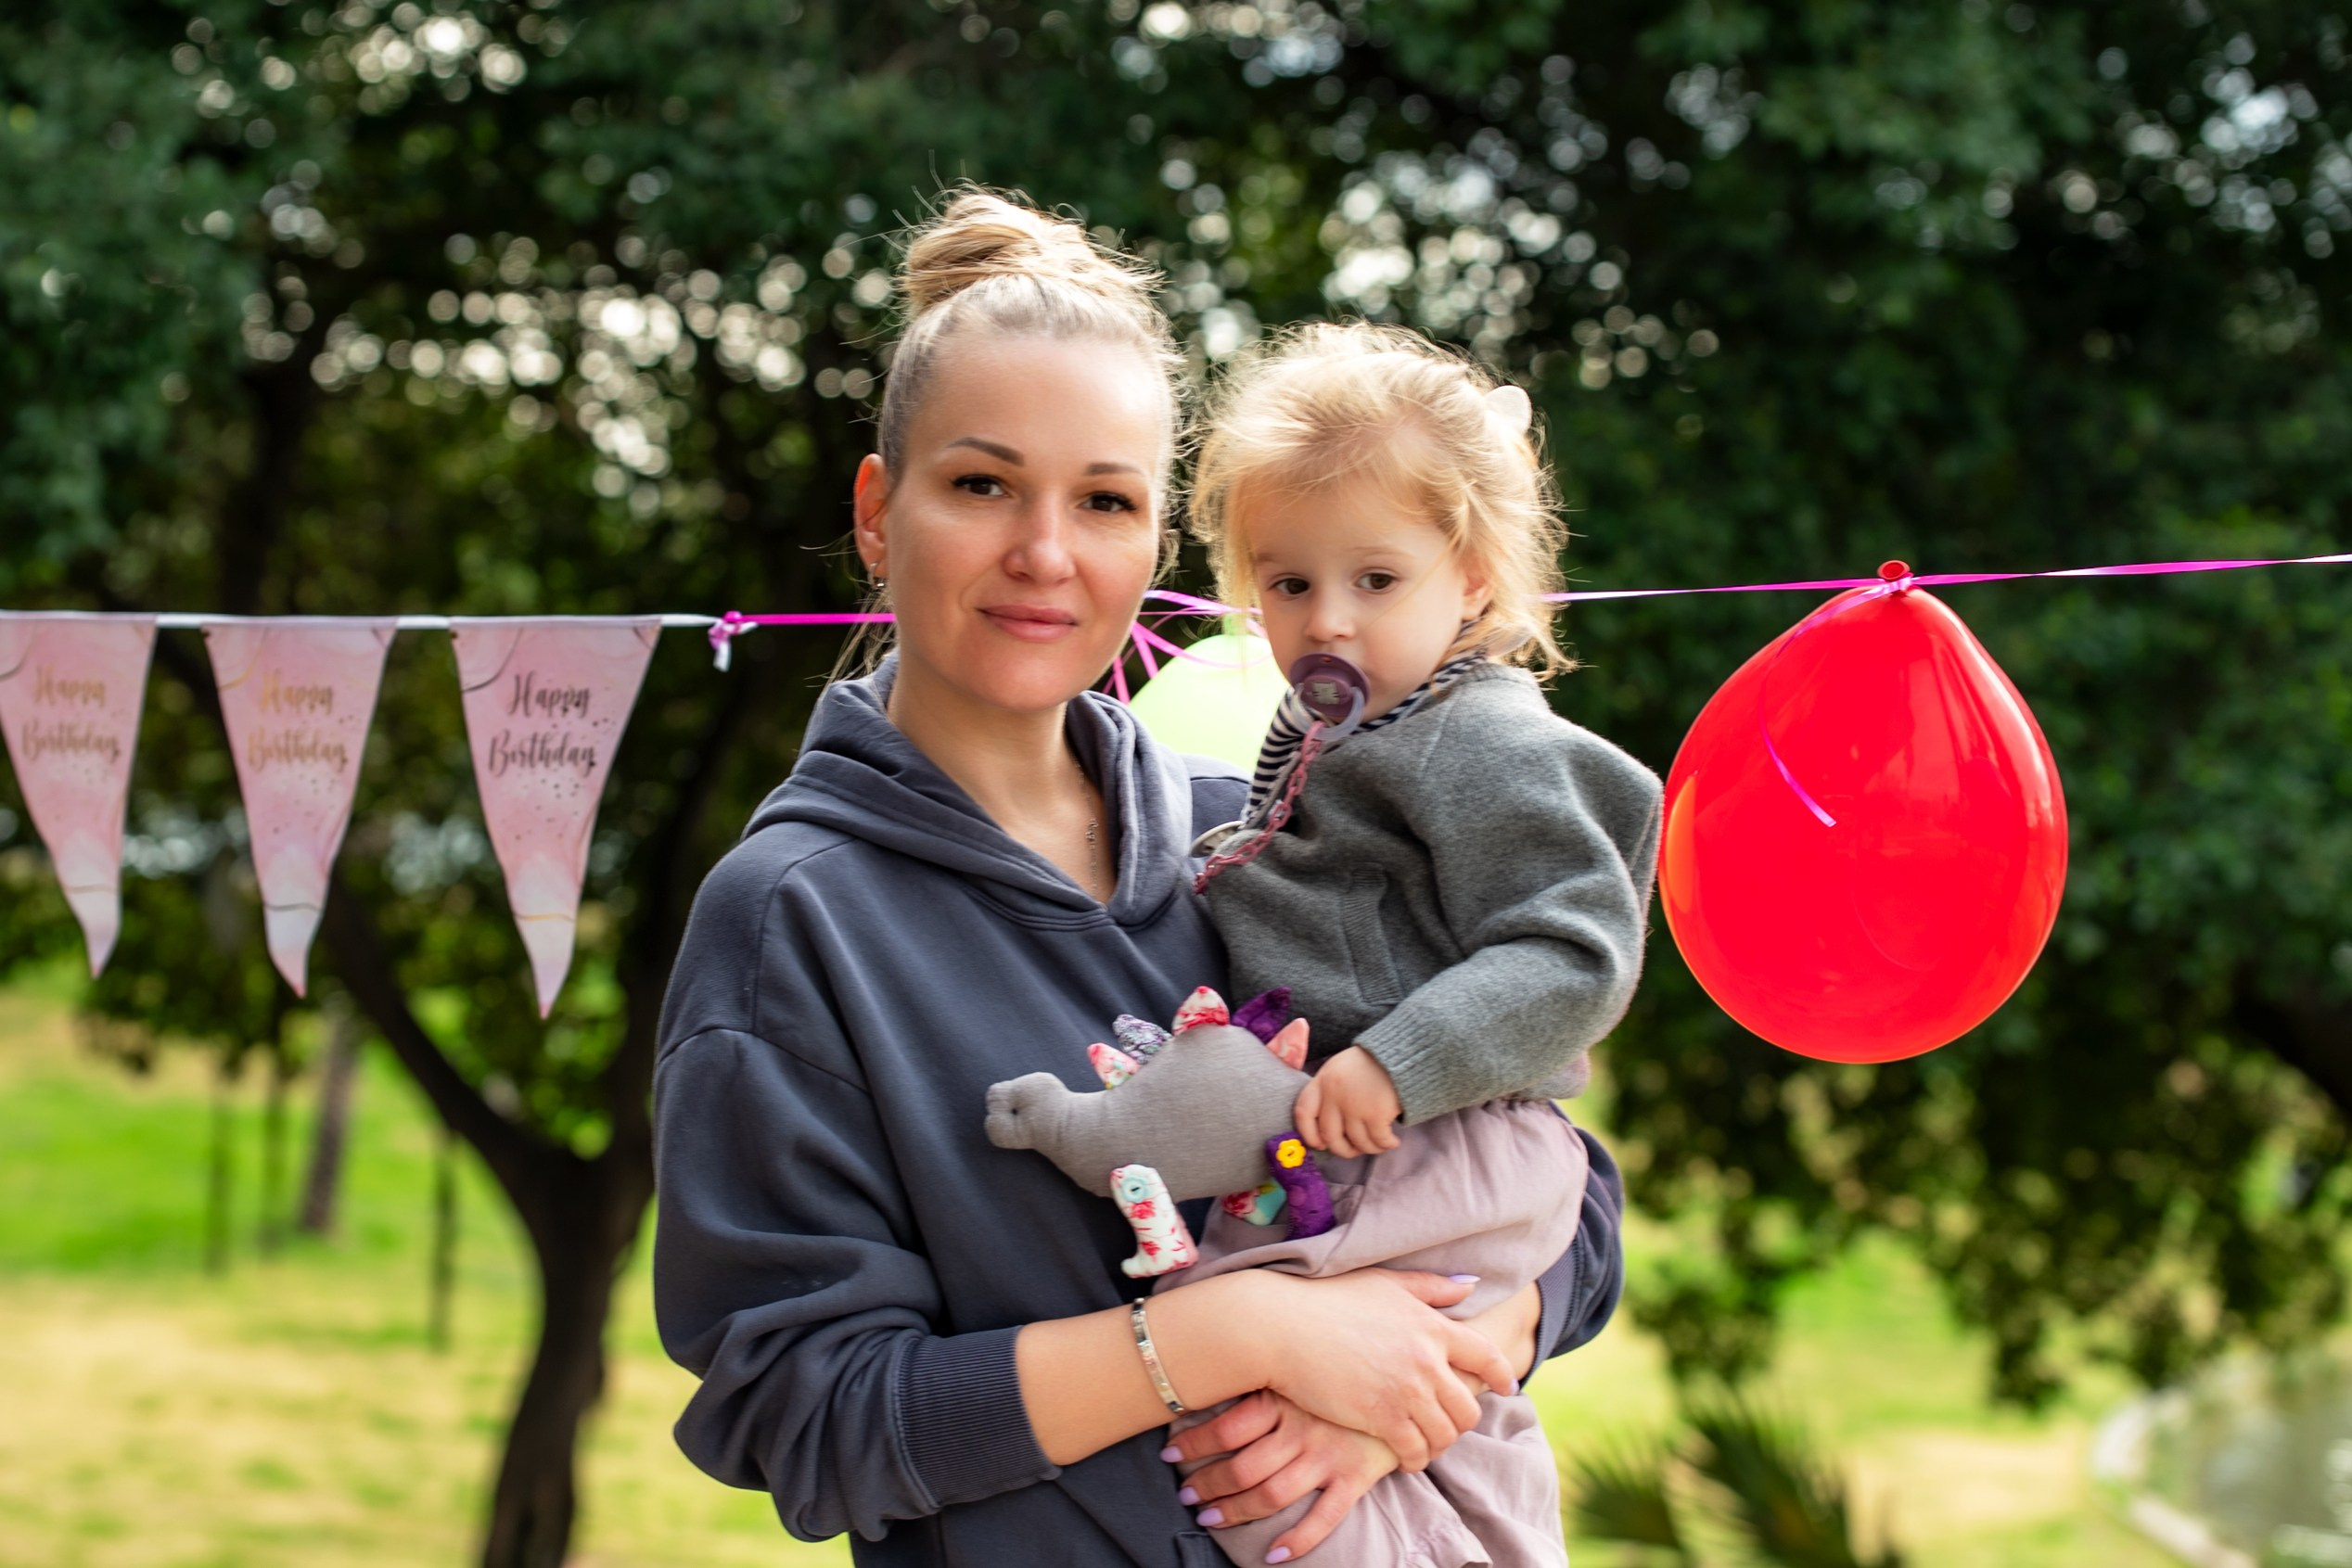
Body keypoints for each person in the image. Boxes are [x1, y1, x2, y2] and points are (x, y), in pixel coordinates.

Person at [650, 190, 1629, 1568]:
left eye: (1103, 501)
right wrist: (1230, 1335)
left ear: (1157, 544)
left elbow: (1569, 1192)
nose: (1045, 553)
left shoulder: (1263, 842)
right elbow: (803, 1416)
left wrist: (1411, 1382)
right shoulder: (797, 920)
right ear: (880, 513)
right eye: (982, 484)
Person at [1157, 322, 1664, 1566]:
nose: (1326, 620)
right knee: (1388, 1451)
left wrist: (1399, 1061)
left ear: (1476, 580)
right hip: (1375, 1143)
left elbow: (1576, 947)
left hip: (1438, 1140)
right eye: (1285, 584)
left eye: (1375, 582)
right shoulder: (1349, 728)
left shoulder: (1473, 735)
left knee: (1316, 1454)